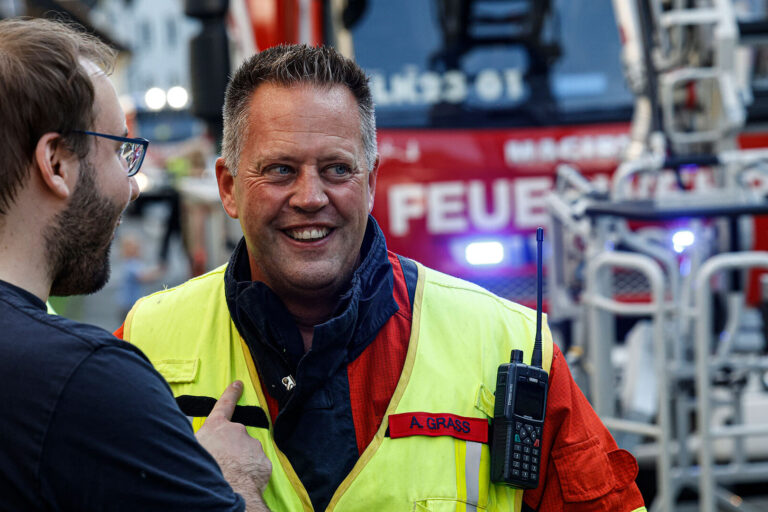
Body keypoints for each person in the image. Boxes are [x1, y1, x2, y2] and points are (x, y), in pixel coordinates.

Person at [119, 44, 647, 511]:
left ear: (371, 184)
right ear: (229, 187)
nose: (310, 197)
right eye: (281, 169)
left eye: (337, 169)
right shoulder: (144, 344)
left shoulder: (510, 346)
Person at [0, 17, 271, 510]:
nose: (130, 185)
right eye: (122, 150)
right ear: (56, 163)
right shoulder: (84, 380)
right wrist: (228, 477)